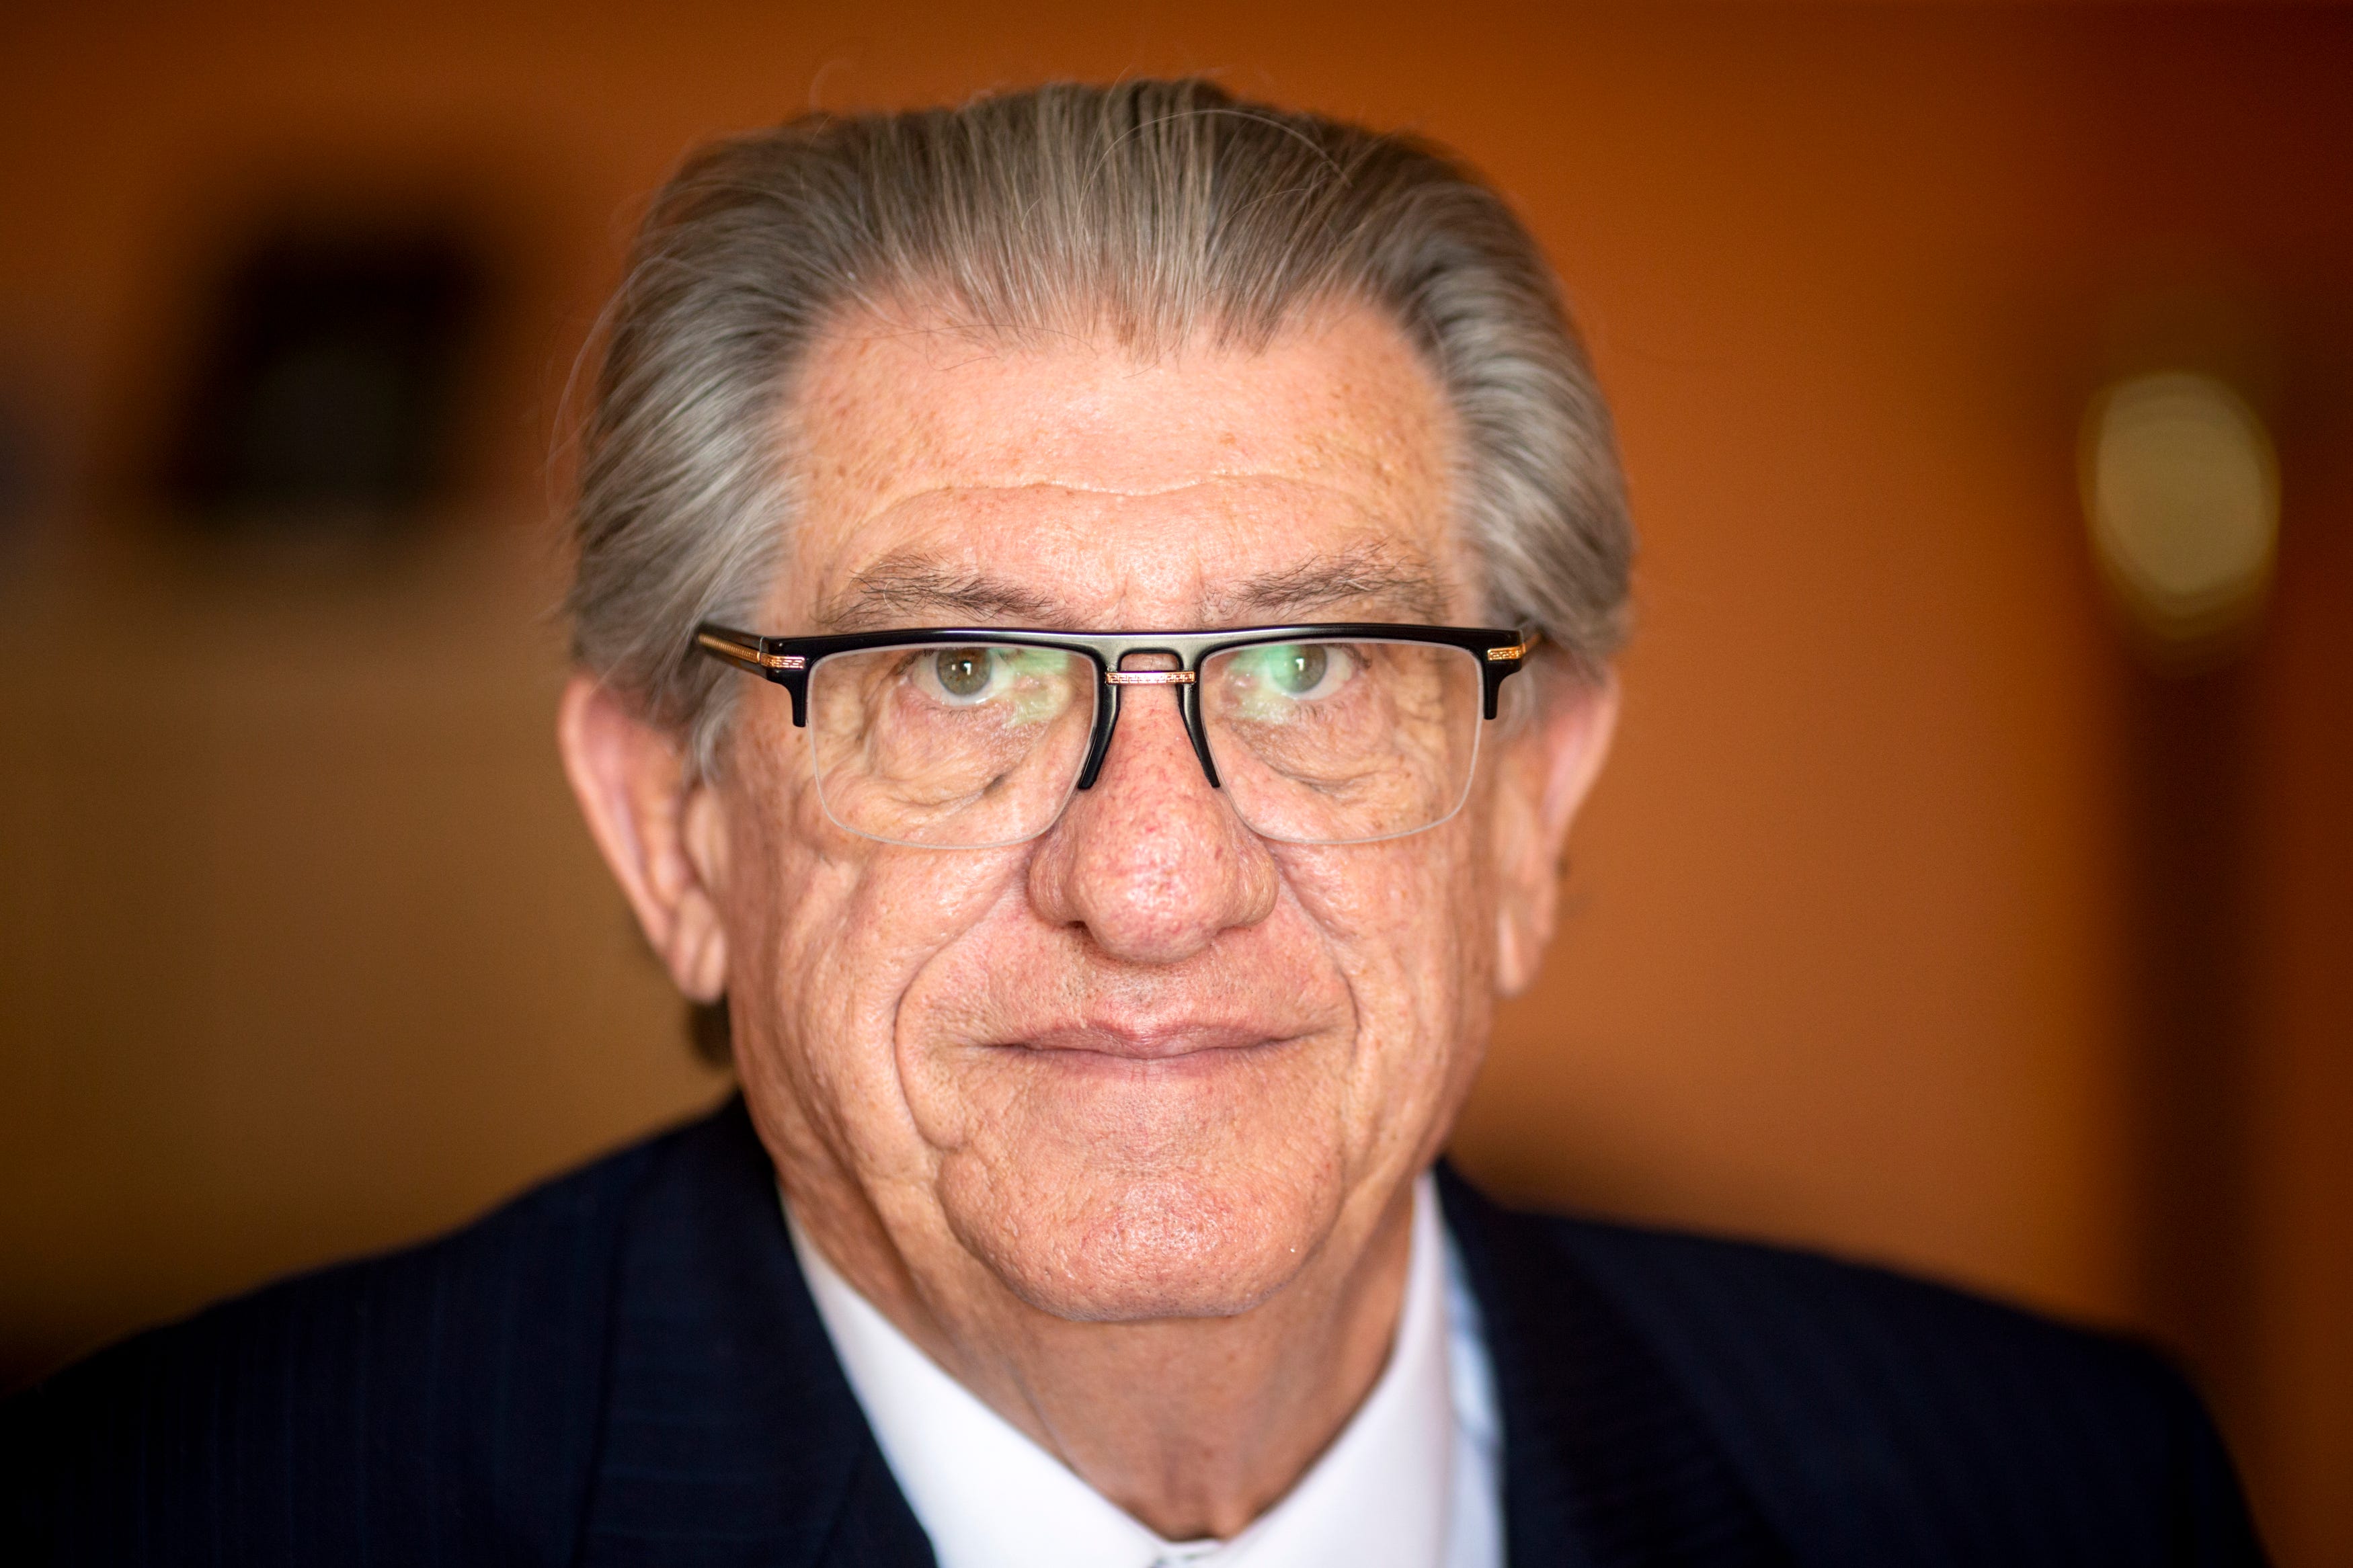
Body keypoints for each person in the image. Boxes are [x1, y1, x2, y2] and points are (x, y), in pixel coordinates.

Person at [3, 80, 2261, 1567]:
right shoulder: (173, 1519)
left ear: (1529, 807)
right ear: (673, 828)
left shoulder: (2052, 1491)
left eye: (1314, 667)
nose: (1153, 882)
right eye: (952, 675)